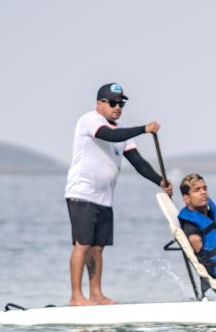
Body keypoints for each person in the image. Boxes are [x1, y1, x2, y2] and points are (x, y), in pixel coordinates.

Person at [64, 83, 173, 306]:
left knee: (97, 248)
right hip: (82, 193)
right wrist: (143, 129)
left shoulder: (121, 130)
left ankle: (96, 294)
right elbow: (110, 136)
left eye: (121, 103)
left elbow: (138, 162)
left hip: (104, 198)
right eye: (113, 102)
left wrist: (160, 181)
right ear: (99, 104)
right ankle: (76, 296)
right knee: (82, 244)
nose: (117, 107)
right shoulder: (90, 120)